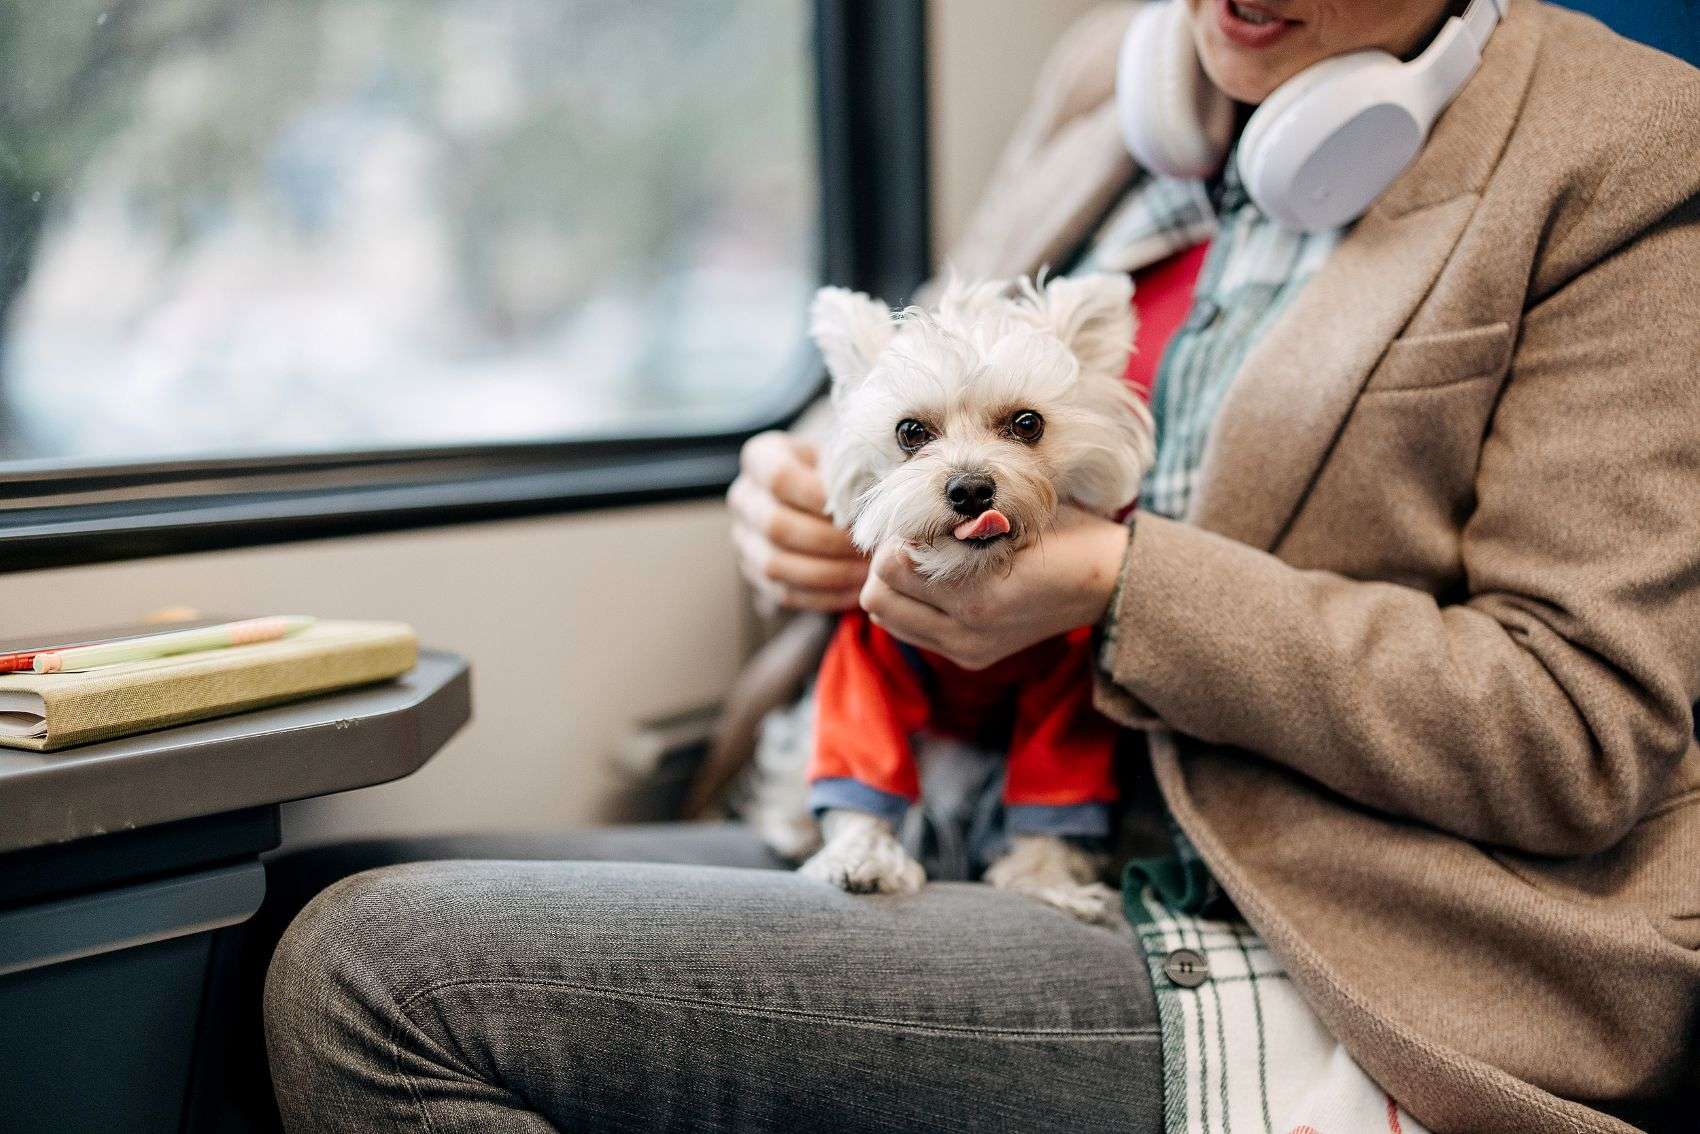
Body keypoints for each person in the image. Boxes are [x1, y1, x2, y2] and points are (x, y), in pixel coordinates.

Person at [265, 2, 1700, 1131]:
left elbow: (1579, 728)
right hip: (947, 800)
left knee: (382, 978)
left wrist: (1122, 584)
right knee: (298, 899)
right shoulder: (1115, 87)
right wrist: (797, 514)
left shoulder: (1623, 144)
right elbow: (927, 417)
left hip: (1302, 921)